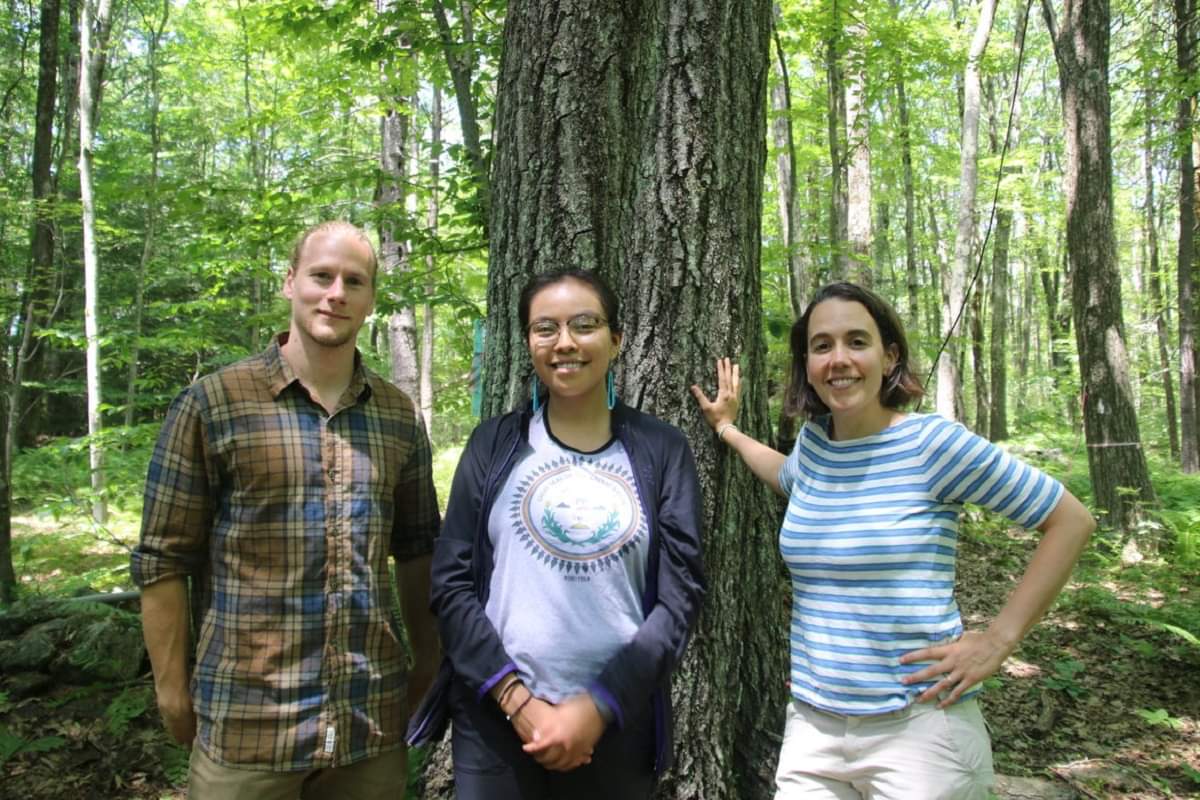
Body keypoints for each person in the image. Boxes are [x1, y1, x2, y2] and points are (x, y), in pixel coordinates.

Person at [691, 281, 1095, 799]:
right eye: (821, 346)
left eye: (857, 341)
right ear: (807, 365)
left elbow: (1069, 521)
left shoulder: (934, 445)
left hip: (920, 734)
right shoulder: (815, 446)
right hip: (812, 732)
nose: (839, 359)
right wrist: (726, 429)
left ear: (889, 357)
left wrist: (998, 642)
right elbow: (785, 475)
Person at [132, 221, 441, 800]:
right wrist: (171, 690)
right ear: (290, 281)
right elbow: (163, 559)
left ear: (372, 298)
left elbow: (420, 549)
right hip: (247, 730)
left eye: (355, 281)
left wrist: (427, 664)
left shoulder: (397, 417)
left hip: (367, 728)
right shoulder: (214, 404)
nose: (336, 293)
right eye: (321, 276)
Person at [419, 269, 705, 799]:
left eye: (585, 324)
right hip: (495, 723)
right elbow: (451, 582)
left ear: (616, 340)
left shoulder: (662, 450)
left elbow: (681, 594)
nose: (565, 342)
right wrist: (516, 702)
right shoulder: (493, 445)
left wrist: (596, 707)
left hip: (616, 723)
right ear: (528, 342)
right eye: (545, 328)